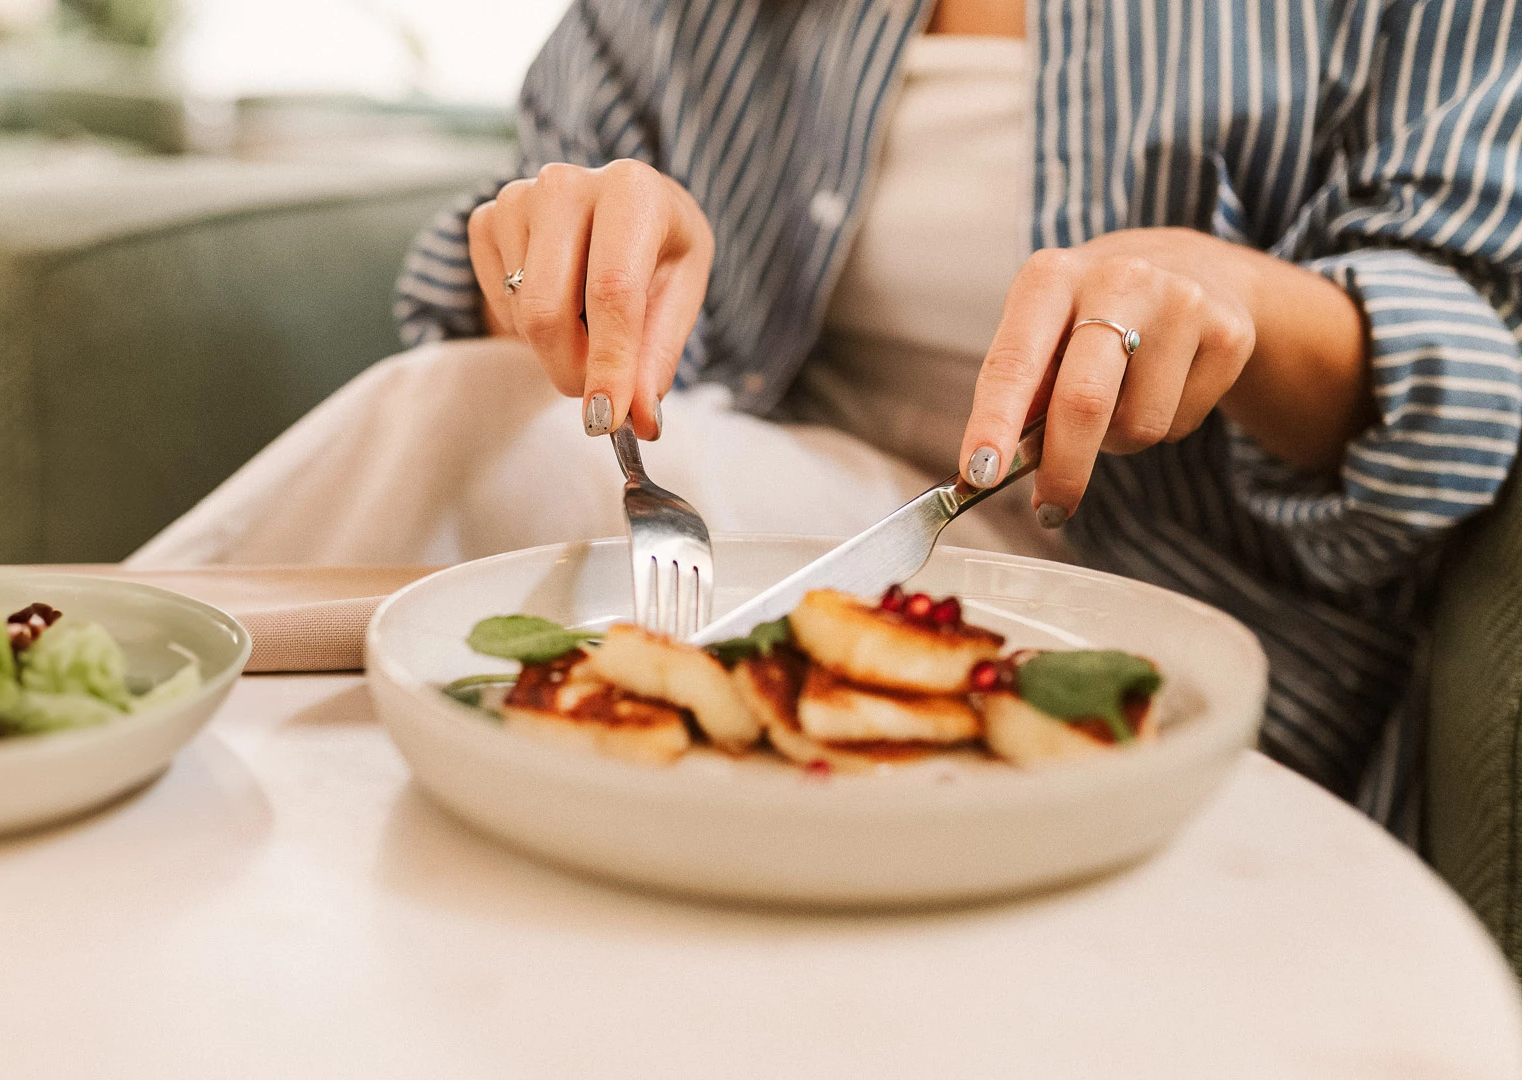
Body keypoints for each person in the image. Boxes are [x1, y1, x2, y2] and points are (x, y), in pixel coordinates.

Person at [132, 0, 1522, 842]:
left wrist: (1246, 300)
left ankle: (69, 704)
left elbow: (1469, 350)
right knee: (468, 412)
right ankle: (82, 713)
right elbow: (516, 293)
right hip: (783, 502)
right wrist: (561, 255)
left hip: (1173, 587)